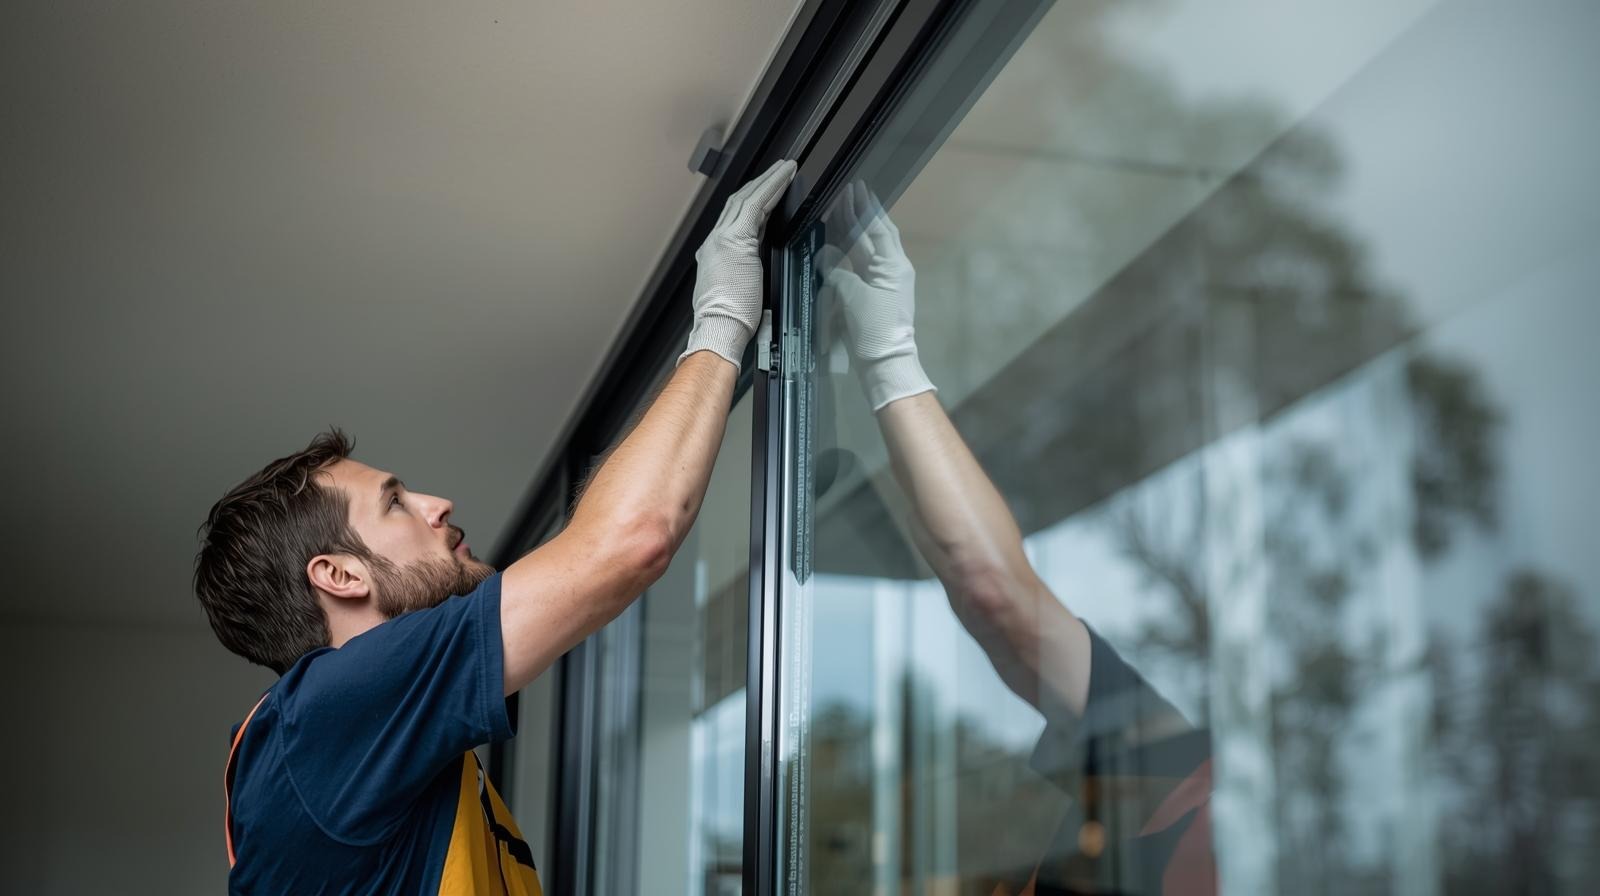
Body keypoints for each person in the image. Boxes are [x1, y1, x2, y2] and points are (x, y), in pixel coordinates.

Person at [193, 159, 798, 895]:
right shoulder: (329, 715)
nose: (437, 503)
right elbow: (627, 540)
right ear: (340, 575)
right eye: (395, 502)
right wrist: (723, 321)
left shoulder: (373, 745)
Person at [820, 182, 1217, 895]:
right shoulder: (1188, 799)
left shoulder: (1189, 793)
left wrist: (889, 359)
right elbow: (982, 592)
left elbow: (992, 592)